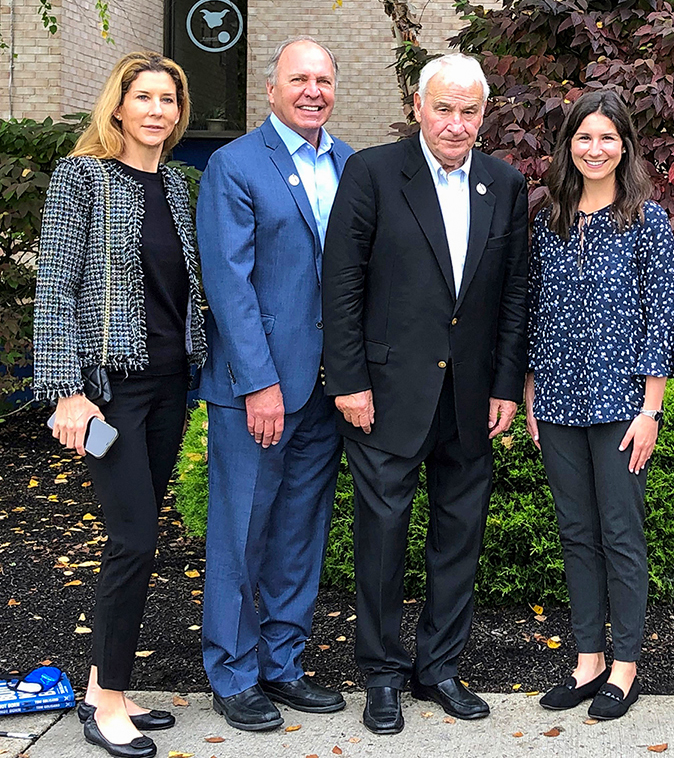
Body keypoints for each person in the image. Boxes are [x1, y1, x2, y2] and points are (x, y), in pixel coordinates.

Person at [322, 53, 528, 735]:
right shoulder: (373, 173)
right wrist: (346, 379)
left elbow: (512, 296)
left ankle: (438, 666)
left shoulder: (503, 183)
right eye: (445, 107)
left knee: (458, 538)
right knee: (381, 538)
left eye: (470, 110)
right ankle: (382, 674)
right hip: (384, 393)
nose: (457, 123)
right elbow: (342, 283)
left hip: (469, 398)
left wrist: (504, 384)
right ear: (419, 105)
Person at [33, 51, 206, 758]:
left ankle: (112, 680)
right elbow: (55, 287)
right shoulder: (83, 177)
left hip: (168, 385)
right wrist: (67, 391)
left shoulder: (173, 184)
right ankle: (101, 701)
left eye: (170, 99)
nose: (159, 110)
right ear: (118, 106)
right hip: (108, 390)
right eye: (146, 98)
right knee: (132, 540)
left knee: (139, 539)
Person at [196, 37, 352, 732]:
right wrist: (260, 383)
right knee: (242, 530)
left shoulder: (350, 163)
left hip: (327, 388)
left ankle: (283, 664)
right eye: (300, 79)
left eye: (323, 79)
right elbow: (227, 284)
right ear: (271, 88)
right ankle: (232, 672)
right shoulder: (234, 165)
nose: (312, 90)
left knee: (299, 531)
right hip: (258, 389)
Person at [524, 91, 674, 720]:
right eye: (583, 138)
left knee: (620, 534)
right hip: (560, 400)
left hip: (624, 404)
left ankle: (625, 666)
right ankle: (587, 660)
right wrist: (533, 394)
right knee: (576, 533)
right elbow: (537, 314)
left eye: (607, 138)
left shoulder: (645, 220)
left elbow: (662, 319)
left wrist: (653, 408)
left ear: (625, 147)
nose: (595, 150)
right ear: (569, 146)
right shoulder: (550, 221)